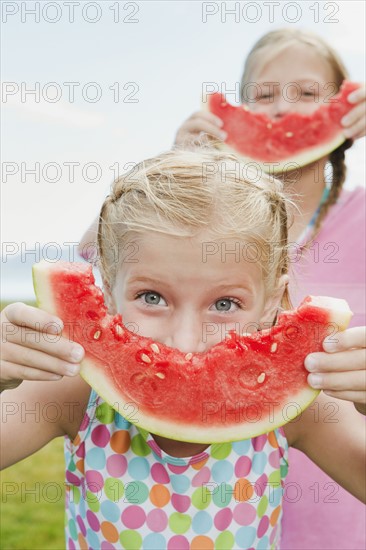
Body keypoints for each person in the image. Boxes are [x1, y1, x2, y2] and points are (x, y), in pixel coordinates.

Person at [1, 148, 365, 550]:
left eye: (224, 304)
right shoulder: (75, 390)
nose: (185, 340)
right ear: (107, 286)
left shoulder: (298, 411)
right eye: (152, 297)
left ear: (272, 300)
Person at [174, 29, 366, 550]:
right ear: (238, 111)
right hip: (209, 506)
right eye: (263, 94)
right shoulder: (208, 220)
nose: (284, 108)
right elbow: (107, 264)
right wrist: (177, 174)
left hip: (340, 502)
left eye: (307, 94)